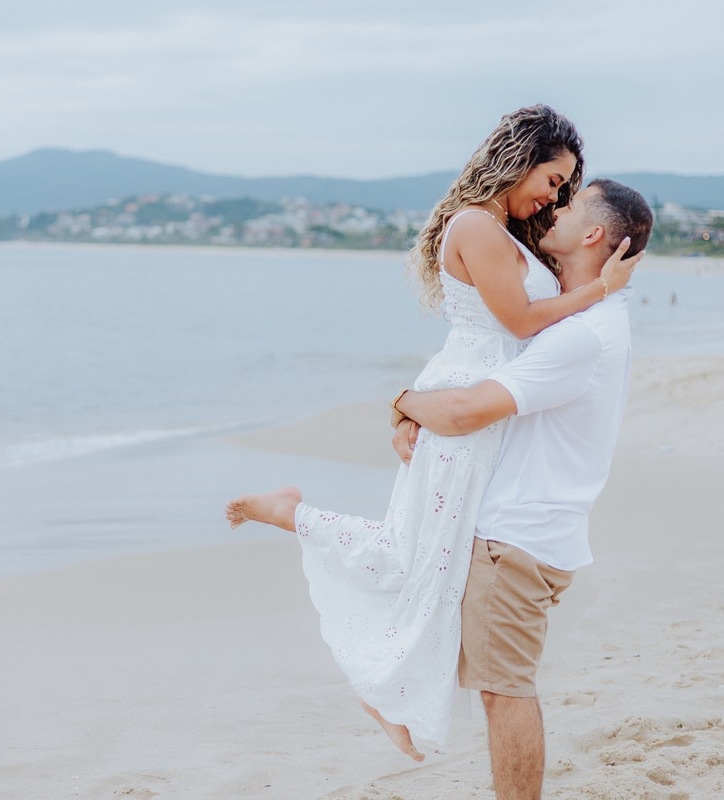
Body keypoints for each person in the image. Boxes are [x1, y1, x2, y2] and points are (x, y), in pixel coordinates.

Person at [225, 105, 639, 760]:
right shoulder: (476, 224)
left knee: (429, 556)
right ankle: (309, 549)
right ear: (520, 159)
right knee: (423, 555)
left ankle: (382, 678)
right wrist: (601, 291)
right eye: (552, 179)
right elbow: (524, 322)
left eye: (564, 188)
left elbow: (534, 322)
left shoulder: (509, 230)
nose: (554, 195)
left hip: (482, 403)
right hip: (467, 401)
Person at [387, 179, 653, 799]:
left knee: (505, 692)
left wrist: (399, 402)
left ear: (592, 234)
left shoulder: (582, 334)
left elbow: (464, 412)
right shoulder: (588, 318)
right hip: (533, 533)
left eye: (571, 203)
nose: (555, 209)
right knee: (492, 681)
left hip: (517, 539)